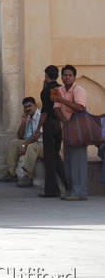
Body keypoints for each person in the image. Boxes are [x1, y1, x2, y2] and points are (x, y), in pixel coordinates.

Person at [54, 65, 88, 201]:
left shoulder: (79, 90)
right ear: (61, 77)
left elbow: (80, 107)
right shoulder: (59, 90)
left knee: (78, 161)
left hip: (79, 129)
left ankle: (79, 192)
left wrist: (62, 100)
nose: (67, 77)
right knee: (68, 160)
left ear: (74, 77)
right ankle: (70, 191)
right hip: (67, 128)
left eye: (70, 75)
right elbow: (56, 109)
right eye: (65, 75)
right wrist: (65, 123)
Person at [32, 65, 66, 198]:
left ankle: (51, 190)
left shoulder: (47, 90)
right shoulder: (60, 88)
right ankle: (68, 184)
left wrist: (38, 128)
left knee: (49, 158)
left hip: (50, 124)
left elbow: (45, 111)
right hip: (59, 124)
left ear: (46, 75)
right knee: (55, 156)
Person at [0, 97, 43, 187]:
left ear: (35, 106)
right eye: (25, 107)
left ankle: (28, 176)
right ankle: (11, 173)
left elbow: (37, 135)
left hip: (41, 144)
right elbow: (20, 136)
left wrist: (24, 144)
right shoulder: (28, 117)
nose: (27, 109)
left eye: (29, 106)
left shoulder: (40, 116)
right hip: (30, 141)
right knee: (13, 143)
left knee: (31, 147)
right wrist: (23, 121)